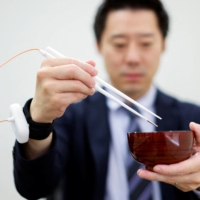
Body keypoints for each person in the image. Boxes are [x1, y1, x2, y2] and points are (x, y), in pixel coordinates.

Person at [13, 0, 200, 199]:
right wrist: (40, 121)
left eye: (146, 43)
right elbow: (33, 188)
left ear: (163, 44)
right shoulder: (70, 116)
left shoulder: (191, 117)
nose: (132, 58)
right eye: (119, 44)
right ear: (99, 45)